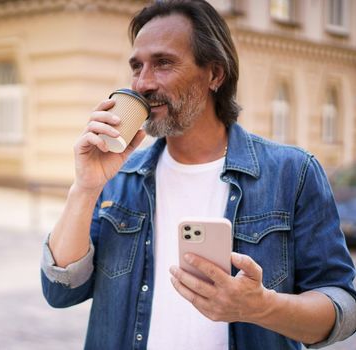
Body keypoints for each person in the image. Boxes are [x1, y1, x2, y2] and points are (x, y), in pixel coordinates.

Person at [40, 0, 356, 349]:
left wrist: (262, 307)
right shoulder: (119, 176)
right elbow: (60, 290)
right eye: (136, 66)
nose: (143, 83)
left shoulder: (292, 173)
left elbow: (342, 309)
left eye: (163, 63)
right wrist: (85, 188)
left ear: (215, 75)